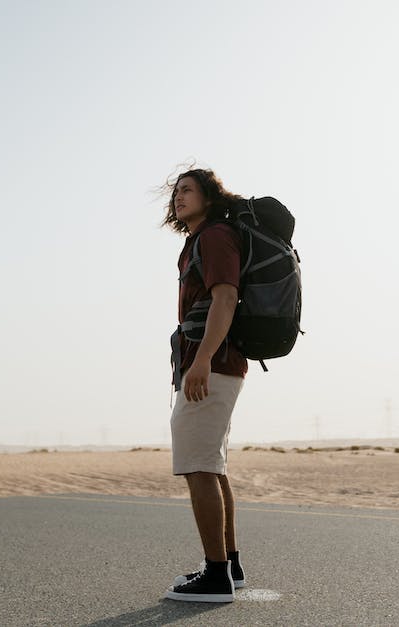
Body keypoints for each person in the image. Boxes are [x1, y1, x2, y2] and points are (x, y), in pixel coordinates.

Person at [161, 168, 248, 603]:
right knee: (212, 465)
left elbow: (226, 297)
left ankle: (216, 577)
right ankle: (228, 565)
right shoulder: (203, 239)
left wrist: (201, 361)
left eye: (188, 190)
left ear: (209, 197)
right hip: (212, 363)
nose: (179, 197)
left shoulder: (214, 237)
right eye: (176, 191)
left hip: (209, 364)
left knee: (198, 465)